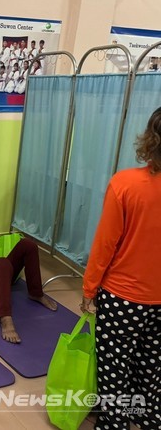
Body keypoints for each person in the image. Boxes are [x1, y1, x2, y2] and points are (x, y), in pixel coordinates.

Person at [81, 108, 161, 430]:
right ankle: (150, 419)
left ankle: (114, 423)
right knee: (152, 369)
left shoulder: (125, 184)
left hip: (123, 299)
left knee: (115, 370)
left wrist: (88, 291)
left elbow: (104, 246)